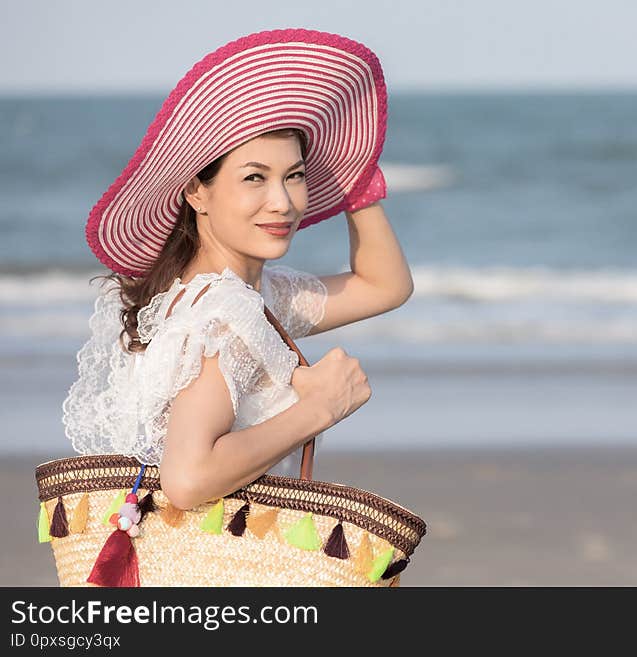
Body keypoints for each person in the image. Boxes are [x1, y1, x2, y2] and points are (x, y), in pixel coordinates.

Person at [61, 29, 413, 512]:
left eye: (295, 175)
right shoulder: (224, 315)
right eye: (254, 178)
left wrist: (357, 180)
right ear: (196, 192)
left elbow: (384, 286)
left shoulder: (239, 294)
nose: (283, 202)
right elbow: (187, 479)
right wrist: (321, 408)